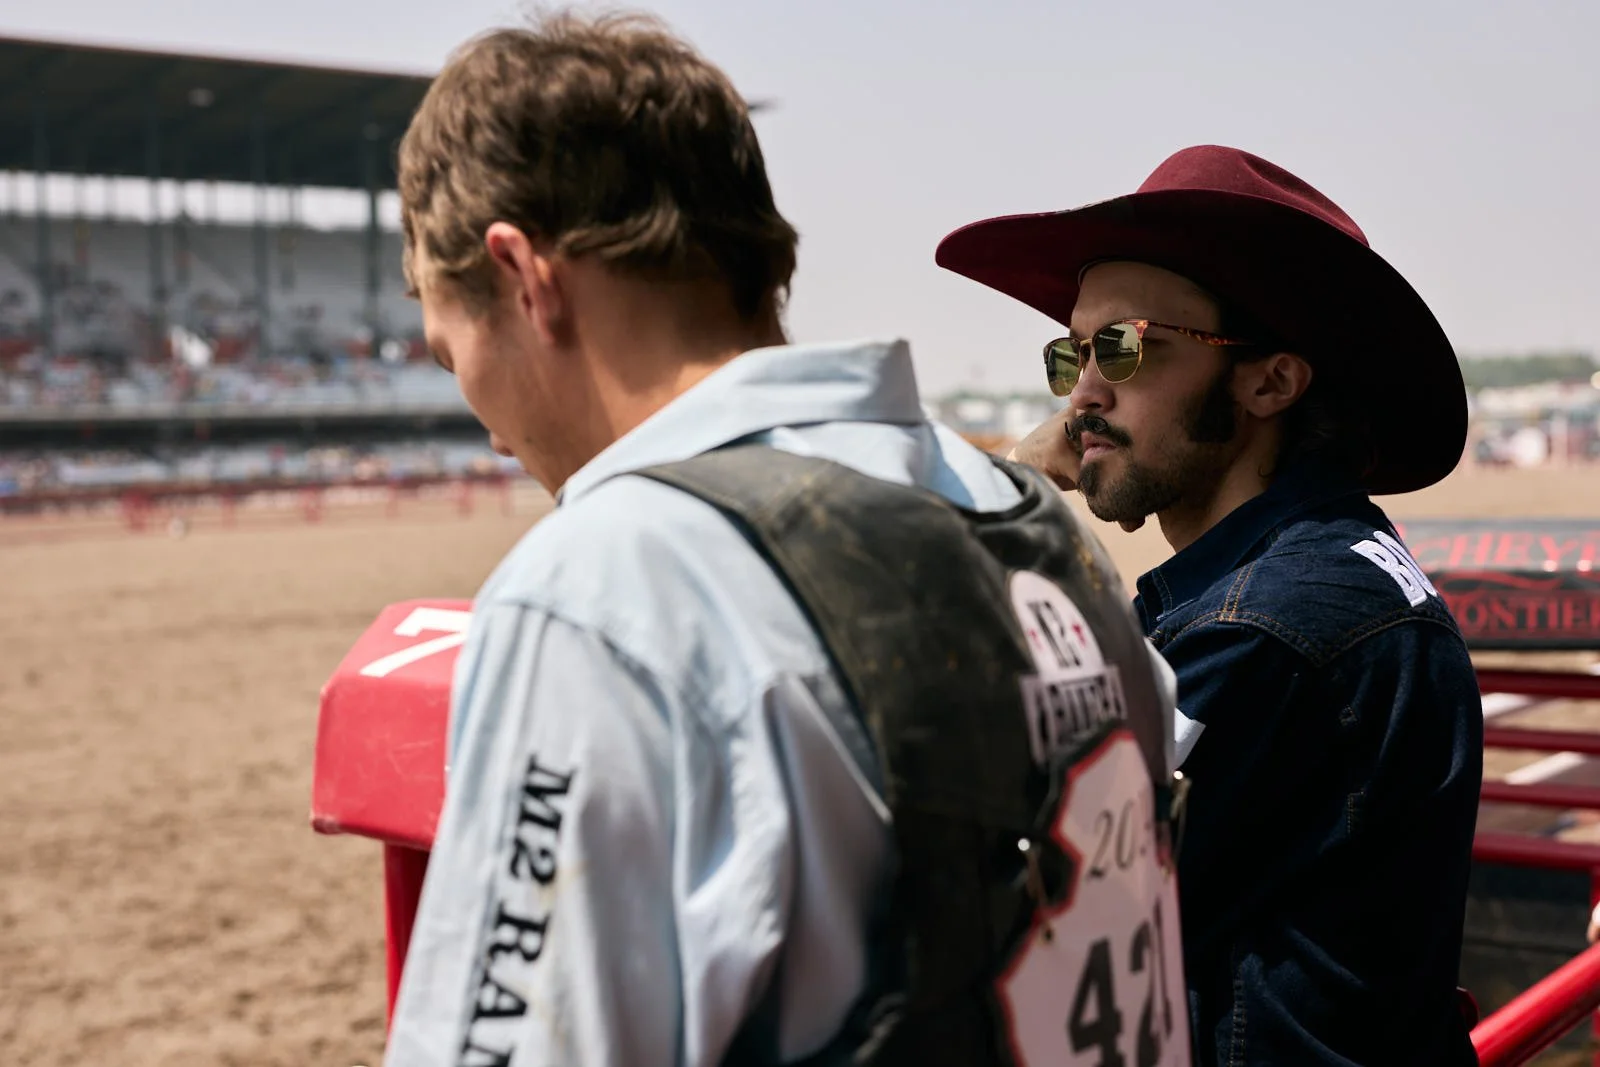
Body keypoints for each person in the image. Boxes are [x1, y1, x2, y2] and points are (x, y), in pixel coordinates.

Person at [383, 11, 1186, 1067]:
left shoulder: (611, 582)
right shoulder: (1027, 519)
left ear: (523, 277)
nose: (487, 428)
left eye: (453, 356)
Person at [936, 146, 1484, 1066]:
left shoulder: (1265, 626)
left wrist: (999, 497)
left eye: (1124, 346)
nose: (1083, 392)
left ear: (1270, 381)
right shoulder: (1329, 561)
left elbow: (1012, 907)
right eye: (1072, 352)